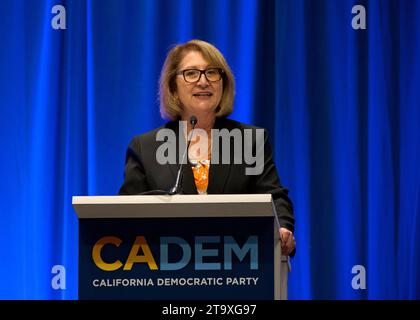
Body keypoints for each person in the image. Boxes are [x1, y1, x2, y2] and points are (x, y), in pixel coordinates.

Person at [119, 39, 296, 256]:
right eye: (191, 73)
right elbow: (126, 216)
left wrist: (283, 226)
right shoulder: (145, 148)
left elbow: (274, 196)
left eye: (212, 72)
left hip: (238, 265)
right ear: (173, 88)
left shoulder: (249, 140)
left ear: (223, 83)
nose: (203, 82)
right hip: (166, 266)